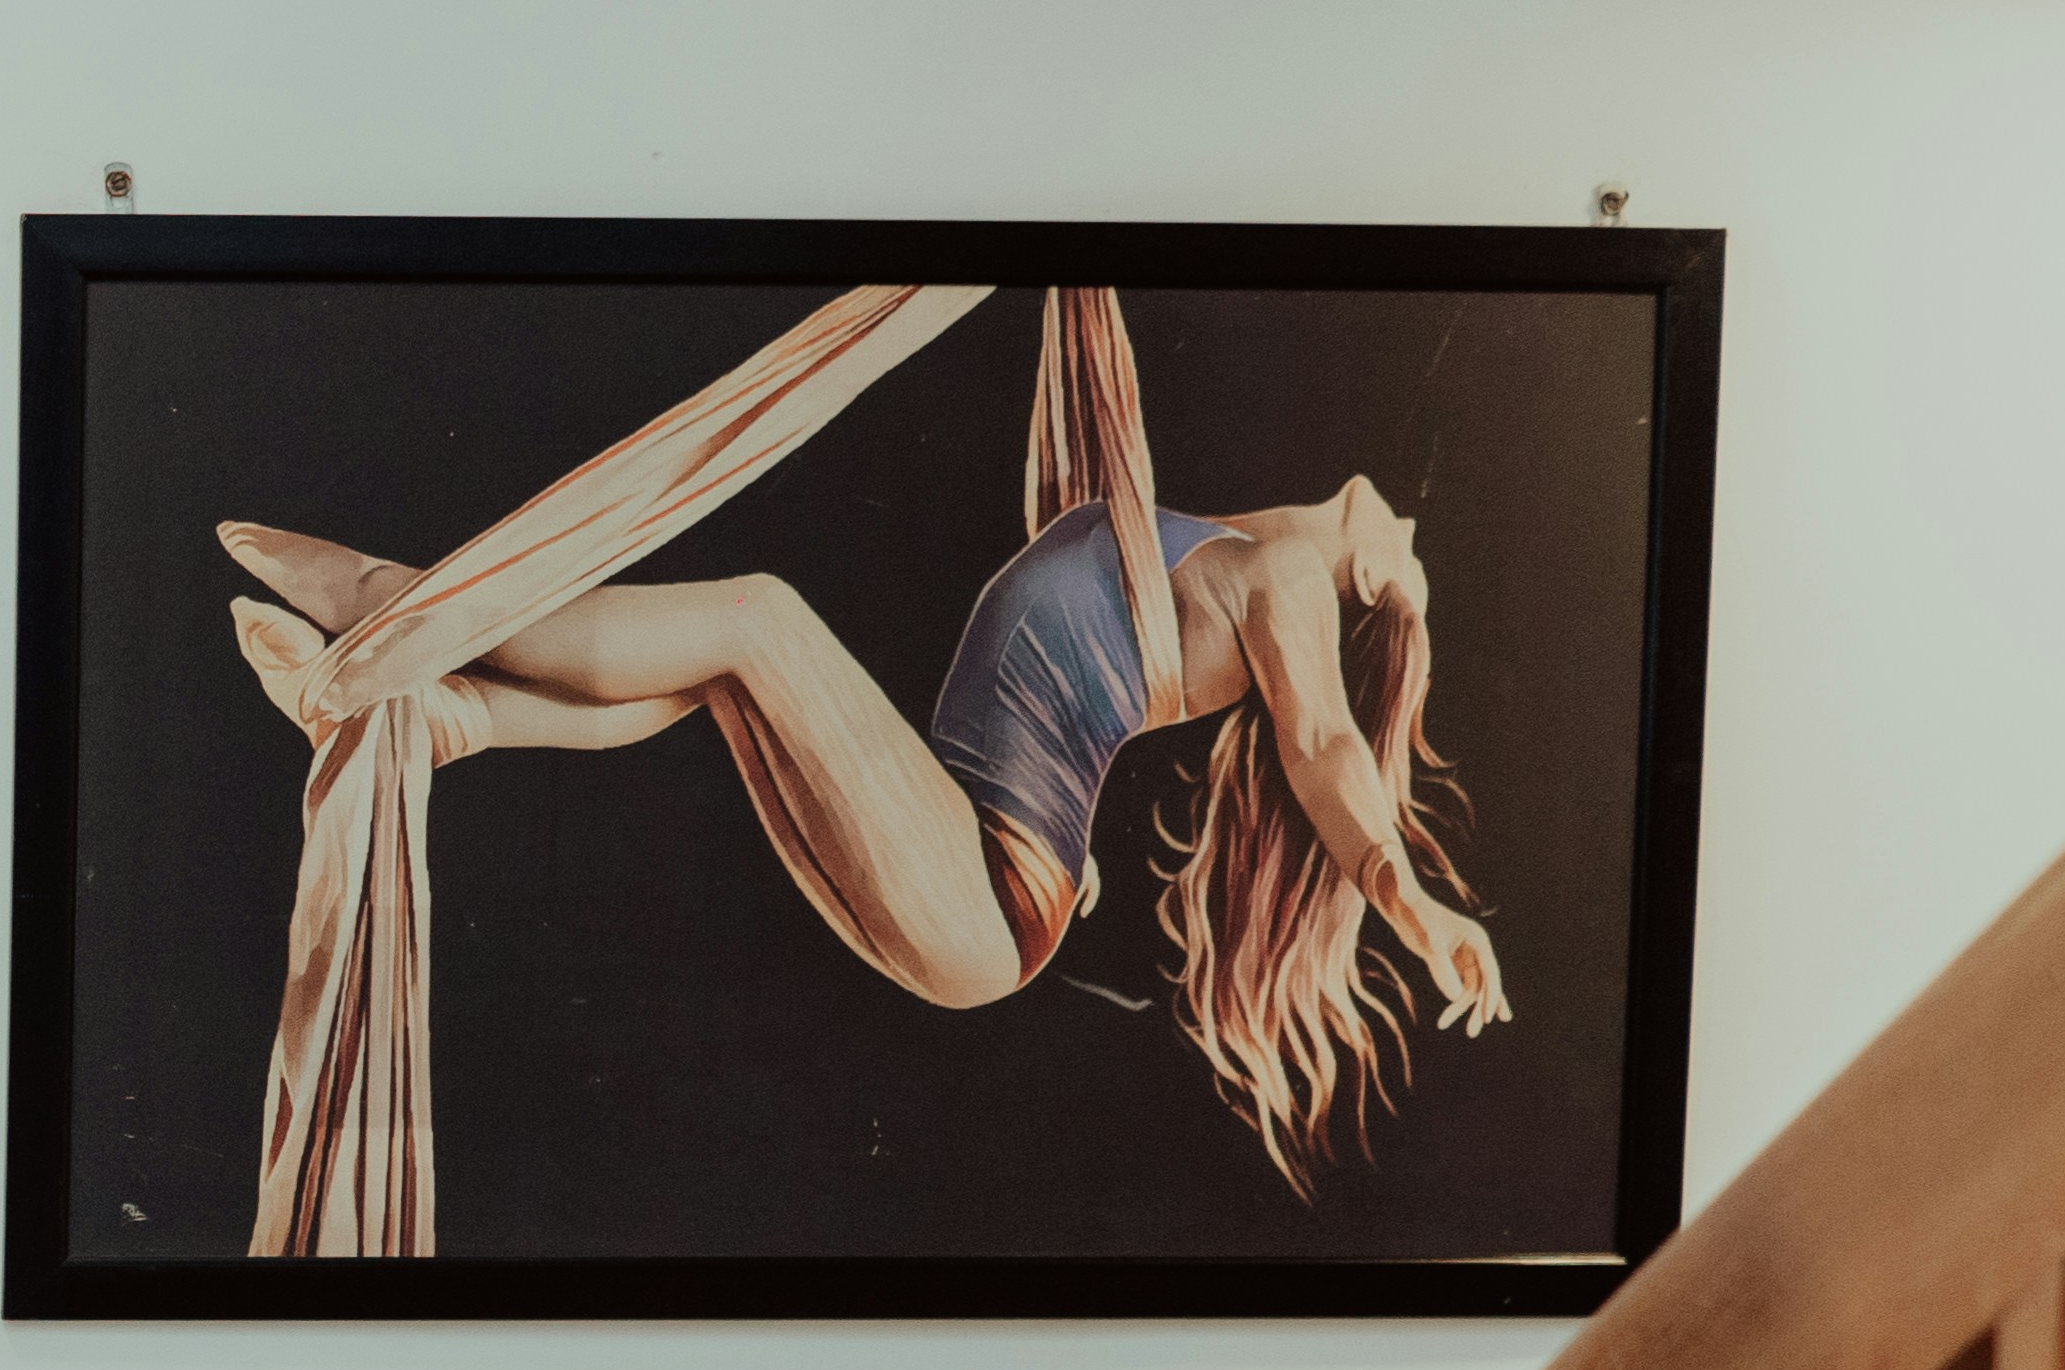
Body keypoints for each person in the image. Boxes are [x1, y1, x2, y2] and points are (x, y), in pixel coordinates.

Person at [221, 288, 1501, 1223]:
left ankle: (397, 602)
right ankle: (459, 717)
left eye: (1415, 556)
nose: (1410, 515)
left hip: (990, 893)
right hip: (978, 857)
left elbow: (1325, 744)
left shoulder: (1289, 577)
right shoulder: (1209, 541)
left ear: (1376, 583)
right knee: (722, 681)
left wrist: (1414, 902)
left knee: (758, 620)